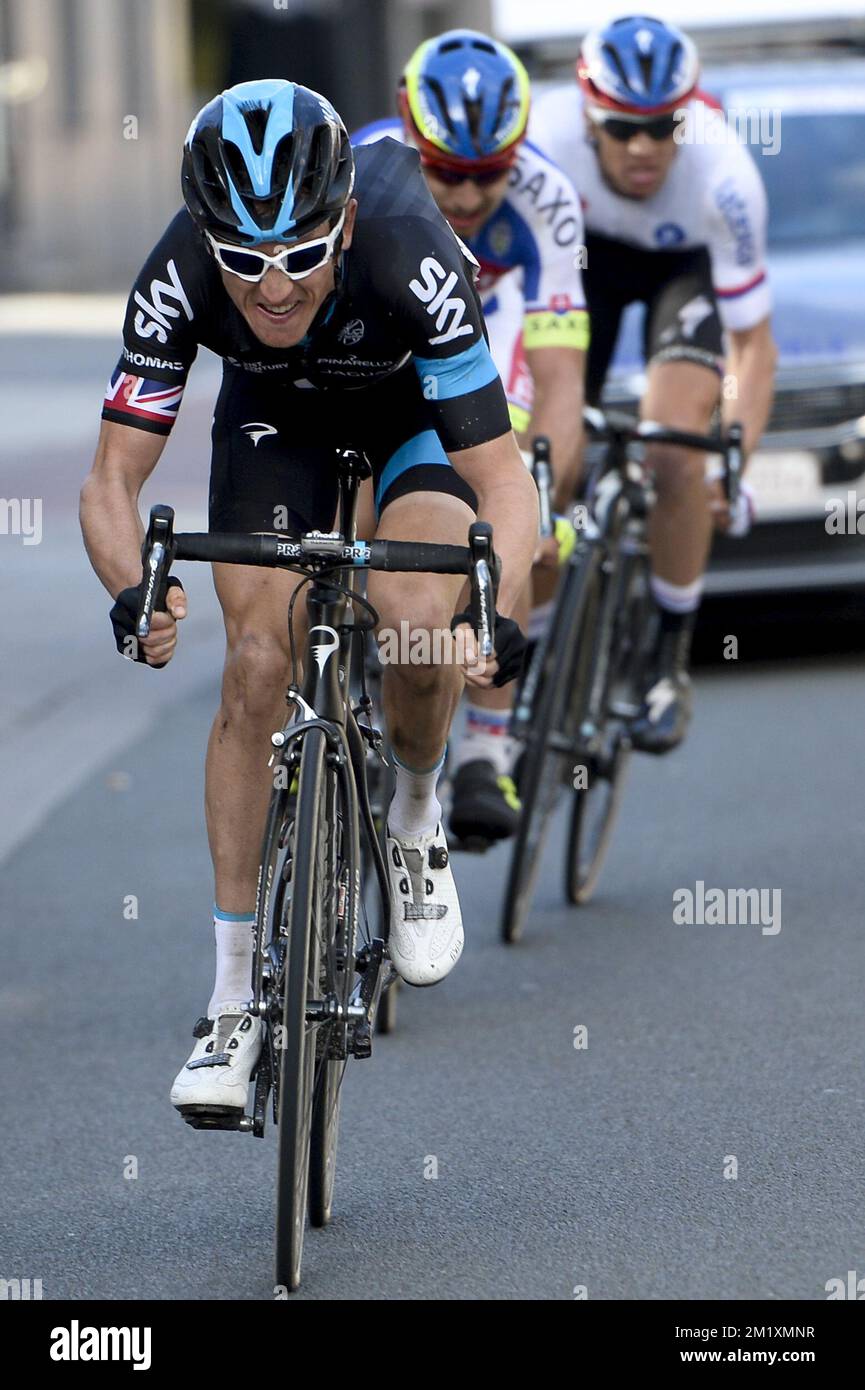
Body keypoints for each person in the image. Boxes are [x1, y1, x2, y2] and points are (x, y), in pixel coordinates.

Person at [80, 80, 537, 1118]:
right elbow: (113, 482)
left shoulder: (409, 251)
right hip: (272, 427)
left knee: (421, 627)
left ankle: (414, 816)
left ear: (346, 223)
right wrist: (129, 592)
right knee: (255, 666)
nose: (273, 286)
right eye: (243, 261)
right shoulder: (179, 270)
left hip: (412, 417)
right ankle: (234, 999)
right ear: (208, 239)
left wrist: (493, 604)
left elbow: (504, 486)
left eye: (299, 253)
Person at [354, 29, 588, 843]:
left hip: (492, 343)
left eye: (486, 173)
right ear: (406, 128)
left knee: (523, 514)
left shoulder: (548, 202)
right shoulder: (361, 166)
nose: (463, 193)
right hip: (385, 348)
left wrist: (539, 500)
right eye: (445, 169)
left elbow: (558, 379)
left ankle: (484, 744)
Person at [532, 15, 777, 750]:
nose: (643, 147)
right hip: (584, 269)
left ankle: (666, 661)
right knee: (551, 455)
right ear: (585, 113)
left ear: (688, 116)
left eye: (663, 126)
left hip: (684, 269)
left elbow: (751, 343)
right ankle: (534, 649)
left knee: (675, 451)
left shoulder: (725, 176)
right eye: (619, 127)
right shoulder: (544, 145)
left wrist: (737, 453)